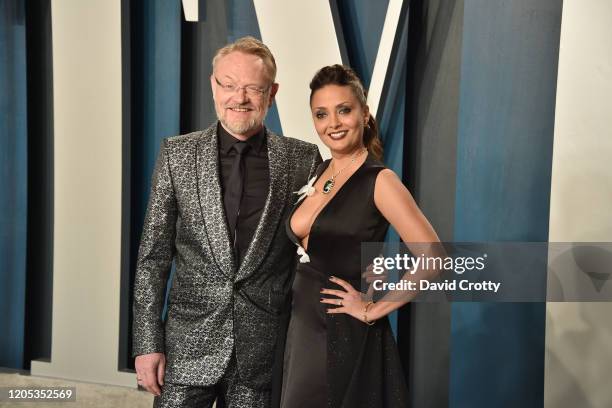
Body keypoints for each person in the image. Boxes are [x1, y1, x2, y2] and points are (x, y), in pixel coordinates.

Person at [132, 36, 321, 408]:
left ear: (273, 92)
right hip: (186, 346)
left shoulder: (303, 159)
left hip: (261, 352)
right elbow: (153, 258)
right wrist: (147, 343)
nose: (240, 98)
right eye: (229, 85)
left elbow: (317, 250)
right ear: (212, 85)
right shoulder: (177, 154)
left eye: (253, 87)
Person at [280, 64, 441, 408]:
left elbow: (434, 257)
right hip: (300, 326)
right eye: (321, 114)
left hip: (339, 334)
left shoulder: (379, 181)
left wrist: (372, 309)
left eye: (344, 110)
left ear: (364, 114)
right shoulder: (321, 171)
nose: (333, 124)